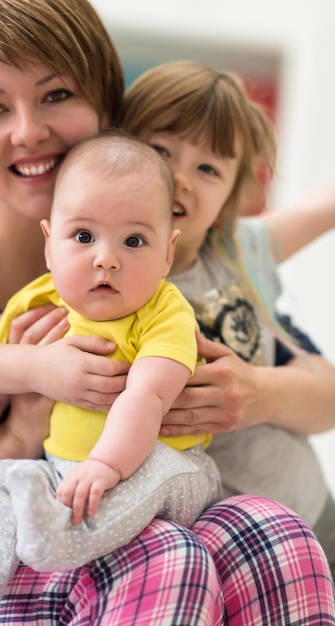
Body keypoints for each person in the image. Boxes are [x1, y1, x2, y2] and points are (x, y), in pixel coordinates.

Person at [0, 1, 333, 623]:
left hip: (169, 515)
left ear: (111, 113)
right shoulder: (19, 288)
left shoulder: (182, 269)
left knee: (265, 538)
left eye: (56, 94)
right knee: (172, 555)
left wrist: (255, 391)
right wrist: (18, 427)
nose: (28, 132)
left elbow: (317, 384)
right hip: (1, 552)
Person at [0, 132, 222, 612]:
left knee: (159, 472)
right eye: (83, 237)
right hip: (63, 474)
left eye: (135, 240)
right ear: (48, 244)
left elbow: (147, 397)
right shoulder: (38, 304)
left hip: (163, 468)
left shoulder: (165, 314)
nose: (106, 257)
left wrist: (106, 465)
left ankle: (65, 541)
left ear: (168, 253)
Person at [120, 59, 335, 575]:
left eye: (208, 168)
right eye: (160, 150)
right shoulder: (110, 277)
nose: (179, 178)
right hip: (225, 549)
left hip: (315, 512)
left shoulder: (238, 250)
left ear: (231, 198)